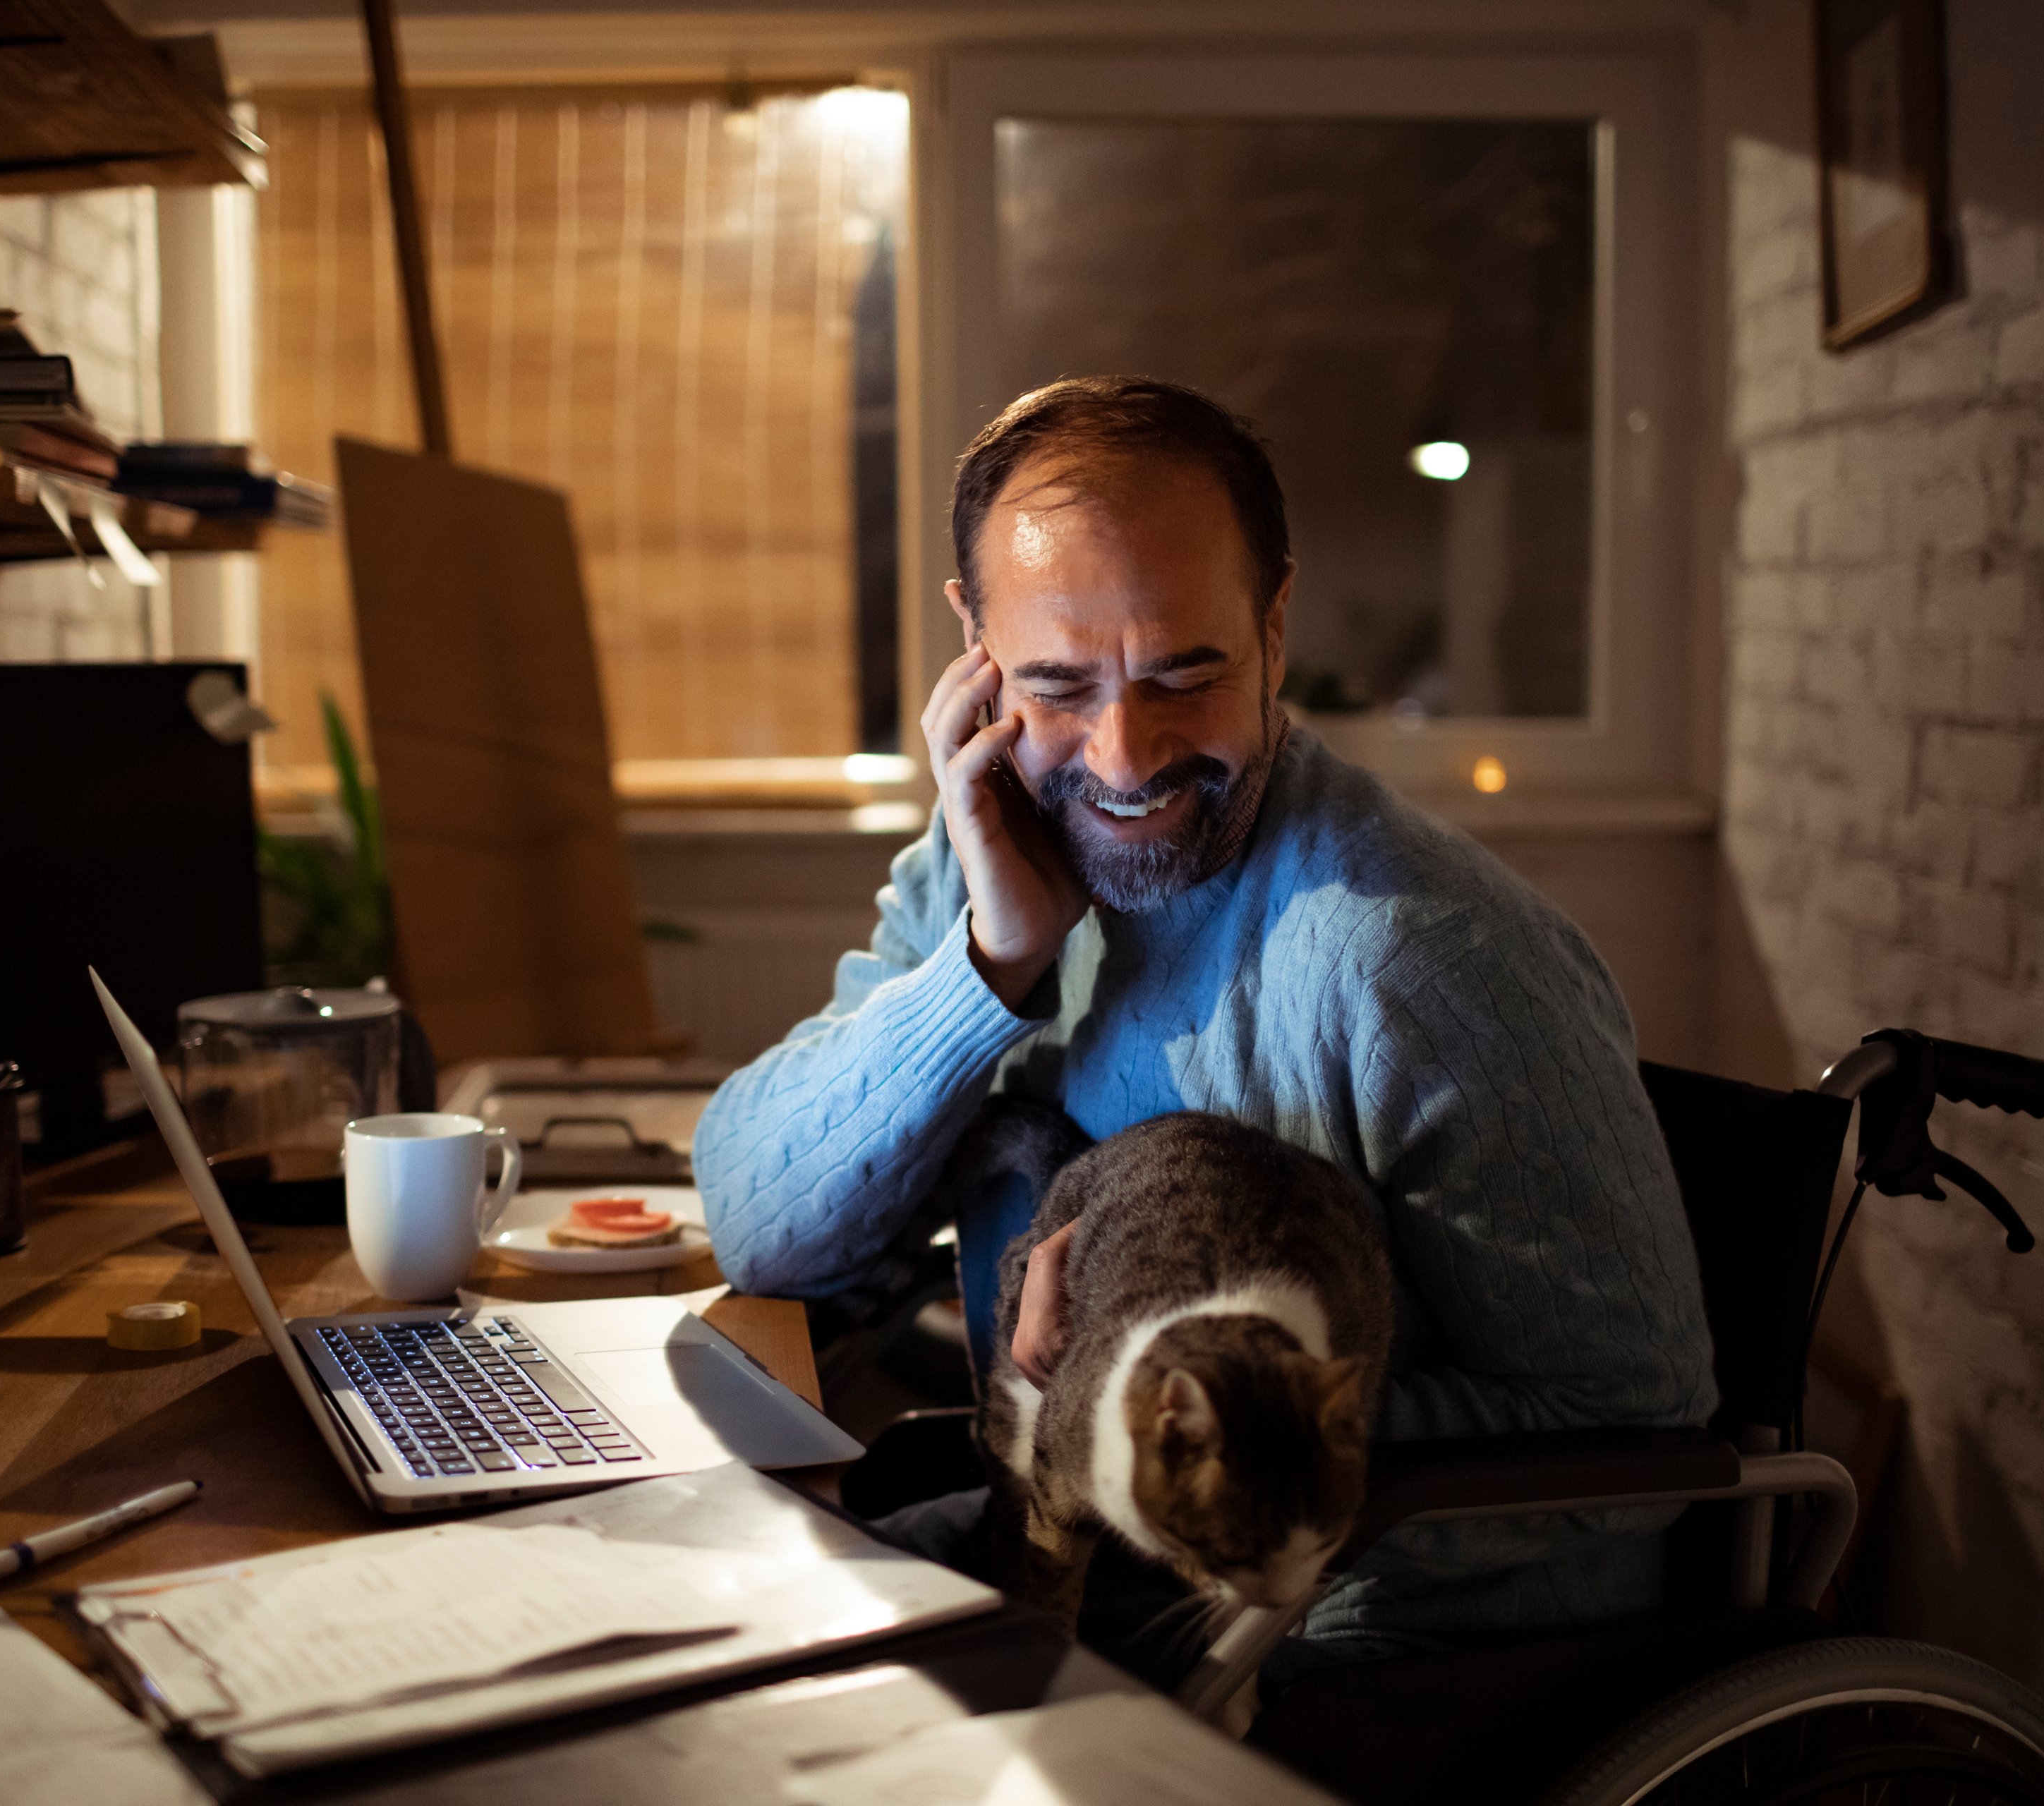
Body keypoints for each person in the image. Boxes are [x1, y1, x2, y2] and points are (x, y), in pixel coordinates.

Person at [694, 377, 1717, 1680]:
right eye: (1057, 687)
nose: (1124, 760)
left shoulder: (1422, 963)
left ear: (1276, 628)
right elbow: (755, 1216)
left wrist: (1179, 1409)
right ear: (975, 647)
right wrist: (989, 965)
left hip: (1361, 1641)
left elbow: (1635, 1432)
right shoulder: (988, 852)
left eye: (1189, 672)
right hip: (1109, 1539)